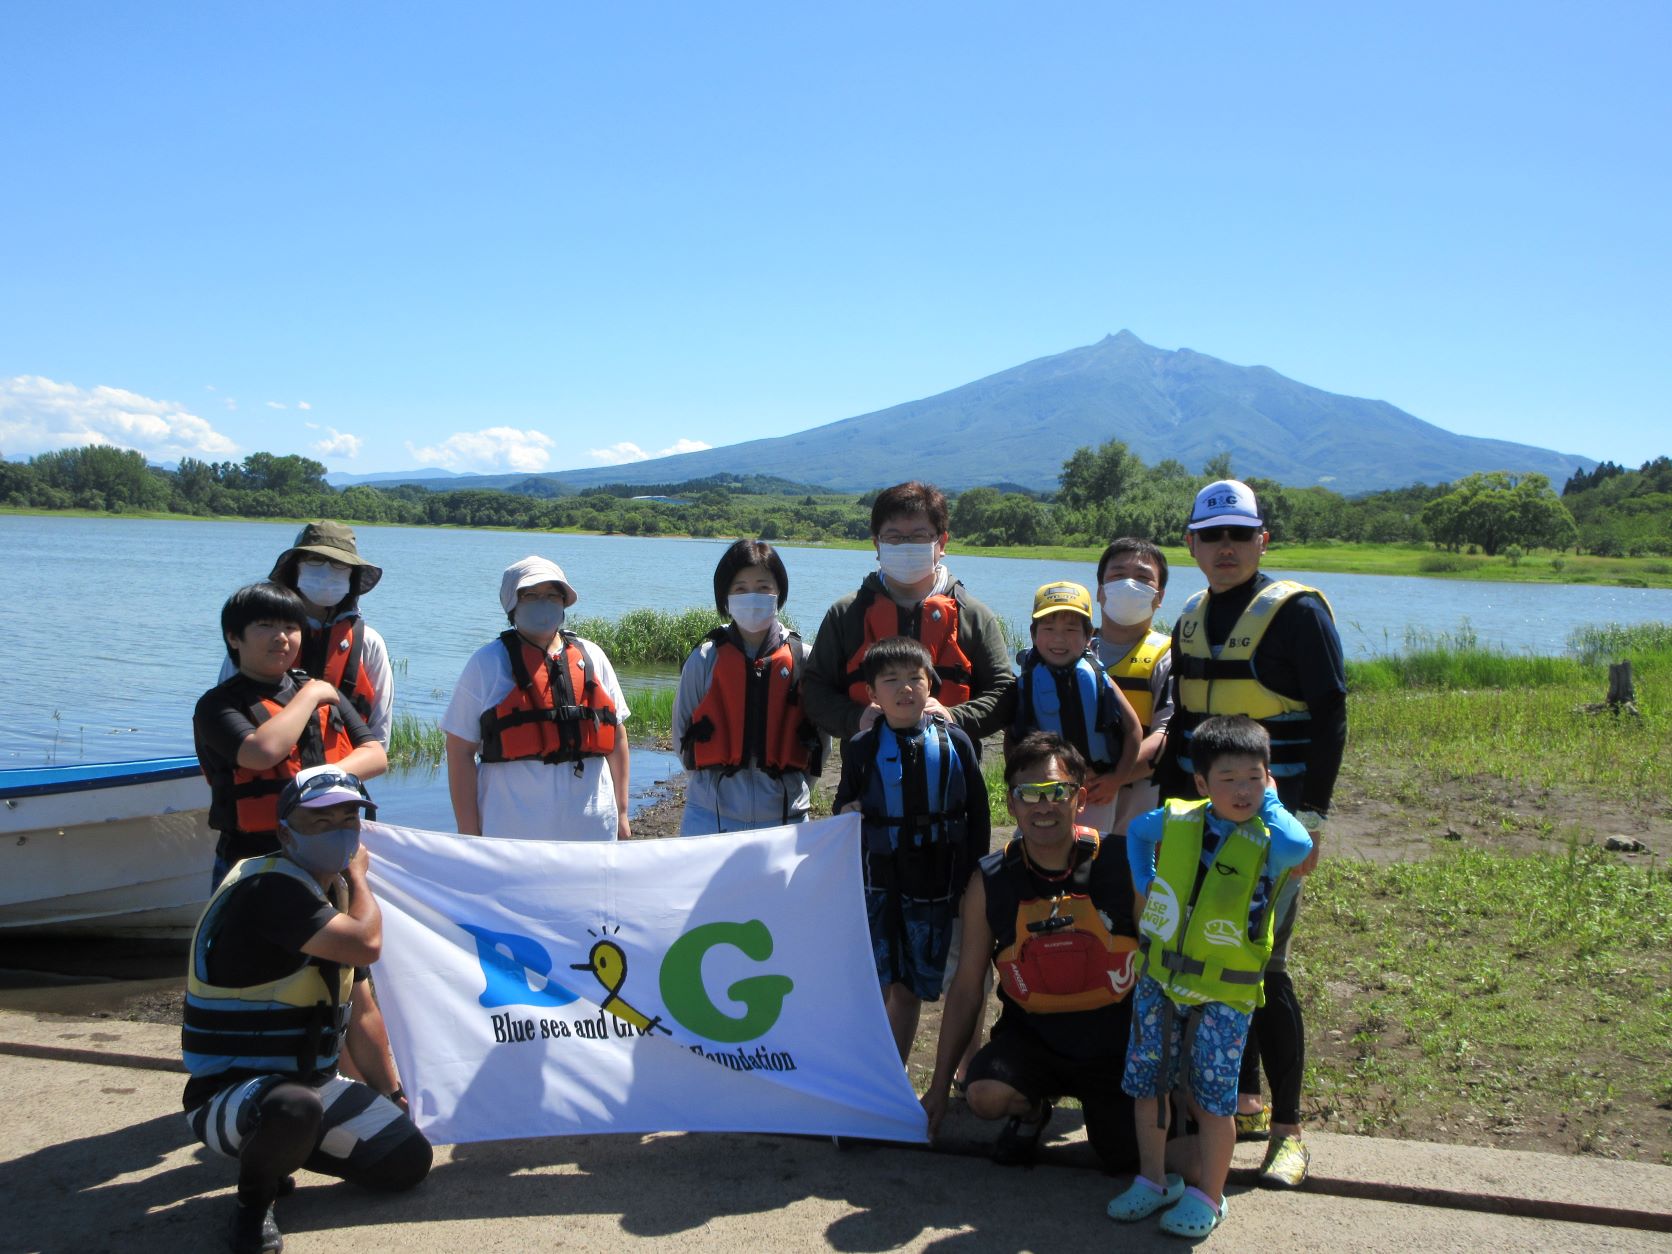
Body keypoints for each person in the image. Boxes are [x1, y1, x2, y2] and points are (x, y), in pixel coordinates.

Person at [1154, 478, 1345, 1185]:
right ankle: (1243, 1100)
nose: (1226, 547)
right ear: (1192, 545)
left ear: (1262, 540)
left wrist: (1315, 818)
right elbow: (1183, 733)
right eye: (1213, 536)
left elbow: (1331, 714)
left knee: (1265, 967)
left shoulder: (1296, 615)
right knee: (1213, 964)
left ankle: (1290, 1132)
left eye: (1240, 535)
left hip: (1274, 827)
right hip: (1204, 830)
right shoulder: (1192, 617)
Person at [182, 765, 431, 1253]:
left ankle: (278, 1155)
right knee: (293, 1109)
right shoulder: (269, 890)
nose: (339, 833)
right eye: (321, 821)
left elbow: (361, 1014)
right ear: (284, 831)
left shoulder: (326, 896)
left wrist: (391, 1093)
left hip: (310, 1086)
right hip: (229, 1095)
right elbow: (367, 943)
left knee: (405, 1160)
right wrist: (359, 879)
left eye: (349, 821)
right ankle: (254, 1206)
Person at [1108, 715, 1312, 1238]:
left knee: (1214, 1096)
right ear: (1201, 784)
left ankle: (1209, 1196)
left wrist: (1271, 801)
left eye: (1254, 777)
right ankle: (1153, 1180)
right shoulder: (1178, 819)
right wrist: (1144, 881)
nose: (1242, 790)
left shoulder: (1270, 836)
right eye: (1229, 779)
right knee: (1149, 1083)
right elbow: (1135, 833)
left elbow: (1300, 848)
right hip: (1160, 979)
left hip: (1225, 991)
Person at [921, 732, 1141, 1172]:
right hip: (1035, 1040)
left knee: (1124, 1159)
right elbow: (966, 988)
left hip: (1115, 1045)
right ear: (1012, 803)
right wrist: (938, 1087)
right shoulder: (990, 880)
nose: (1044, 806)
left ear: (1079, 799)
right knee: (985, 1095)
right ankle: (1032, 1112)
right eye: (1030, 795)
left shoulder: (1123, 863)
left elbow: (1166, 968)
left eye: (1056, 792)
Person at [834, 636, 990, 1061]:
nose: (905, 688)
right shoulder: (861, 749)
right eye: (891, 680)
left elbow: (978, 814)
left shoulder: (956, 743)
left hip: (936, 882)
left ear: (930, 685)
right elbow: (842, 806)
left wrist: (972, 877)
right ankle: (866, 1073)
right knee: (875, 984)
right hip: (879, 882)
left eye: (914, 679)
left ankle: (895, 1076)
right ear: (872, 694)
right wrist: (846, 808)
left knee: (908, 990)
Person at [195, 582, 388, 889]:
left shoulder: (322, 691)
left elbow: (376, 756)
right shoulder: (217, 706)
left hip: (329, 857)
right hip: (253, 862)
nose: (281, 637)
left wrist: (320, 780)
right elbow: (261, 753)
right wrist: (310, 696)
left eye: (290, 626)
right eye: (265, 625)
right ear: (234, 637)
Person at [802, 480, 1014, 752]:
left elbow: (1003, 692)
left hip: (950, 773)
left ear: (942, 542)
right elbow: (815, 689)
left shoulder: (973, 615)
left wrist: (954, 717)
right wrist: (855, 718)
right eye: (894, 537)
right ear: (877, 544)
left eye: (918, 536)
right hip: (869, 774)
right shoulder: (845, 614)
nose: (906, 545)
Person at [442, 556, 631, 841]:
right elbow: (459, 751)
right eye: (531, 594)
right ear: (512, 605)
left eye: (552, 595)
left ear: (564, 602)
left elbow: (617, 739)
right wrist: (468, 832)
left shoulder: (592, 656)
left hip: (593, 829)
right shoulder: (487, 664)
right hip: (511, 834)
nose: (543, 602)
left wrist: (623, 812)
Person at [673, 540, 822, 834]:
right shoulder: (704, 658)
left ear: (779, 593)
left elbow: (820, 742)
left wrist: (797, 791)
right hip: (709, 816)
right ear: (725, 597)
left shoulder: (803, 658)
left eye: (763, 587)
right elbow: (682, 736)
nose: (752, 596)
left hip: (786, 817)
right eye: (740, 588)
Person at [219, 521, 394, 746]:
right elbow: (223, 715)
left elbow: (379, 739)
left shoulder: (368, 643)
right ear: (295, 569)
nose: (327, 572)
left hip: (342, 774)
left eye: (339, 565)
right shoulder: (256, 635)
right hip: (265, 773)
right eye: (315, 561)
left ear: (352, 577)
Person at [1005, 580, 1140, 825]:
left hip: (1096, 790)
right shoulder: (1025, 682)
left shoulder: (1098, 677)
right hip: (1043, 791)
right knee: (1041, 848)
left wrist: (1118, 778)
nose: (1059, 639)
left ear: (1089, 636)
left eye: (1070, 630)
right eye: (1048, 629)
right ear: (1033, 634)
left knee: (1091, 853)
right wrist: (1018, 785)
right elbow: (1012, 737)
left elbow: (1133, 730)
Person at [1089, 538, 1174, 840]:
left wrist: (1116, 776)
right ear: (1100, 591)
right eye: (1117, 575)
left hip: (1138, 800)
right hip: (1073, 792)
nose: (1128, 584)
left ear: (1159, 595)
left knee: (1127, 879)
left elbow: (1166, 734)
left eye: (1142, 578)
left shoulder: (1168, 656)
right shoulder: (1071, 648)